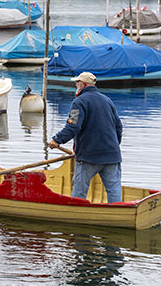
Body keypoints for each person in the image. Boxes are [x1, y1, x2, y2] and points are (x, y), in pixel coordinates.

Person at [47, 72, 123, 203]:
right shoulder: (107, 100)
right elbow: (118, 127)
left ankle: (75, 216)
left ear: (82, 85)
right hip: (112, 155)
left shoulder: (79, 102)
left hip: (89, 156)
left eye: (76, 82)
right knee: (114, 191)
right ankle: (119, 214)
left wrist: (56, 140)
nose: (75, 85)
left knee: (79, 193)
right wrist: (113, 147)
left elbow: (73, 127)